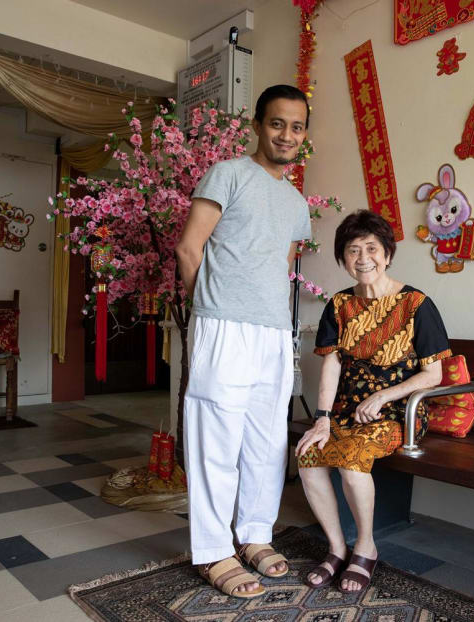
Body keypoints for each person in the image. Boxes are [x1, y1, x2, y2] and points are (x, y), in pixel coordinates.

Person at [175, 84, 312, 598]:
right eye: (277, 123)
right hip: (223, 327)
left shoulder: (297, 202)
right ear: (258, 125)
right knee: (216, 440)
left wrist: (273, 324)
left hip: (274, 333)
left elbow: (279, 266)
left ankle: (254, 534)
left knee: (266, 443)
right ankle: (212, 550)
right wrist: (207, 311)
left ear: (304, 136)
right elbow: (190, 250)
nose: (286, 134)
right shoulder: (227, 174)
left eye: (297, 127)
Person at [295, 210, 451, 593]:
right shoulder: (339, 305)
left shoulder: (417, 304)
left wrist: (384, 395)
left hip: (399, 412)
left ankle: (365, 547)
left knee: (350, 461)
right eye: (352, 250)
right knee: (307, 457)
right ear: (343, 259)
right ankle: (336, 548)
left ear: (388, 254)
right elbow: (331, 365)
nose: (363, 258)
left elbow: (434, 376)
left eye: (371, 248)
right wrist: (322, 418)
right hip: (348, 411)